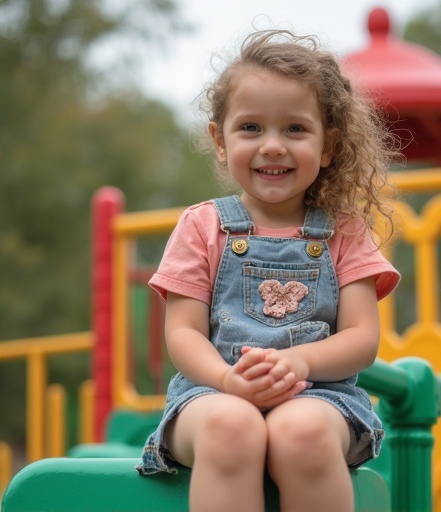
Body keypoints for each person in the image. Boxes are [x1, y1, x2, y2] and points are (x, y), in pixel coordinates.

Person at [136, 28, 401, 512]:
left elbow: (362, 338)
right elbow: (183, 334)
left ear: (328, 145)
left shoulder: (343, 231)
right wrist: (227, 380)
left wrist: (302, 363)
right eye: (251, 128)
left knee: (299, 430)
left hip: (321, 399)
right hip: (210, 393)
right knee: (232, 425)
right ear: (220, 140)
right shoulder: (203, 226)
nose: (273, 146)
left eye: (295, 129)